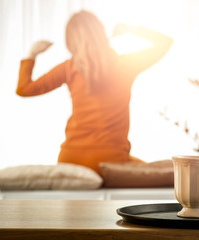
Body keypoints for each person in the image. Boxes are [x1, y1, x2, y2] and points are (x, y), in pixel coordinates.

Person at [16, 10, 173, 175]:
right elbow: (165, 43)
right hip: (111, 160)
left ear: (71, 41)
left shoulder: (69, 68)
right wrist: (132, 30)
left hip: (70, 159)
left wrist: (32, 54)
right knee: (160, 174)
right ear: (101, 34)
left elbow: (24, 89)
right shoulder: (125, 64)